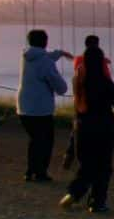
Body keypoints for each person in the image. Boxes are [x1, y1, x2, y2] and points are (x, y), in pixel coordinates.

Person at [59, 47, 114, 213]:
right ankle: (96, 201)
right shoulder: (106, 83)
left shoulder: (78, 81)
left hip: (82, 128)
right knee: (103, 167)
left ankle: (72, 193)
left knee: (87, 165)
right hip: (103, 128)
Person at [16, 29, 73, 182]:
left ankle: (30, 171)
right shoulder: (45, 62)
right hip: (40, 109)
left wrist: (60, 53)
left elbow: (44, 56)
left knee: (34, 140)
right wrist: (65, 87)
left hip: (23, 107)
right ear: (44, 42)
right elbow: (60, 87)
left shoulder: (26, 56)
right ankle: (40, 173)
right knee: (46, 141)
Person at [63, 35, 111, 170]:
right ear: (97, 45)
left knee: (77, 128)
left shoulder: (78, 60)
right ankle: (96, 160)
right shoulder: (100, 62)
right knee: (98, 131)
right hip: (97, 101)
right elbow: (106, 78)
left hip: (80, 100)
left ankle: (69, 155)